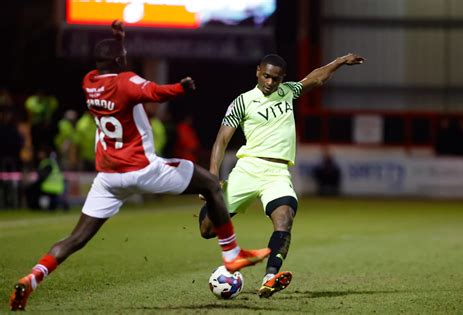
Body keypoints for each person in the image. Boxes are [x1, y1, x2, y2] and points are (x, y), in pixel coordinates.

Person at [9, 20, 270, 311]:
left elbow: (114, 65)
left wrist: (117, 38)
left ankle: (32, 279)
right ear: (120, 61)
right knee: (211, 184)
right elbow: (155, 92)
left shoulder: (89, 83)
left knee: (76, 238)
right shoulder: (127, 82)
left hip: (108, 177)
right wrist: (180, 88)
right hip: (143, 170)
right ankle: (231, 253)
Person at [198, 53, 365, 298]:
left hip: (276, 173)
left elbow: (316, 78)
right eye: (266, 76)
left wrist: (339, 62)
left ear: (282, 79)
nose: (269, 82)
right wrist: (212, 177)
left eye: (275, 79)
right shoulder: (242, 102)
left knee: (285, 218)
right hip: (248, 169)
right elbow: (222, 139)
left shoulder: (288, 91)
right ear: (258, 72)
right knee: (207, 228)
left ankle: (270, 277)